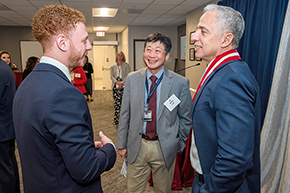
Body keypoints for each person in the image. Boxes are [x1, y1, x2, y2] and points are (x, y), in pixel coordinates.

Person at [13, 5, 116, 193]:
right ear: (63, 42)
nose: (89, 46)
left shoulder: (26, 85)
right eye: (84, 40)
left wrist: (80, 146)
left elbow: (43, 144)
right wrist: (110, 150)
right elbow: (86, 169)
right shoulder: (65, 94)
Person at [190, 4, 261, 193]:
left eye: (202, 31)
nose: (193, 37)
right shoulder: (221, 72)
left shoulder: (231, 78)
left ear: (226, 39)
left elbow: (235, 159)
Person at [117, 33, 192, 193]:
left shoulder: (180, 83)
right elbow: (125, 114)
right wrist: (122, 144)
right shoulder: (132, 79)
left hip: (164, 147)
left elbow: (185, 118)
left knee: (163, 190)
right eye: (148, 49)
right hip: (137, 145)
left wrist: (179, 144)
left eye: (158, 51)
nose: (151, 55)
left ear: (167, 55)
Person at [0, 59, 20, 193]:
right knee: (9, 167)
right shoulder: (4, 68)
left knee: (4, 174)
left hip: (2, 130)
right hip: (6, 128)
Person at [110, 51, 131, 125]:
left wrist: (122, 83)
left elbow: (128, 75)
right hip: (116, 86)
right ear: (116, 56)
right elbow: (111, 76)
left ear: (123, 56)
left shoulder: (126, 65)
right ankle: (116, 119)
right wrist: (117, 82)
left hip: (124, 86)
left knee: (124, 103)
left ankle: (125, 120)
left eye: (121, 55)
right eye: (118, 55)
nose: (119, 56)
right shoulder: (113, 66)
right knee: (117, 104)